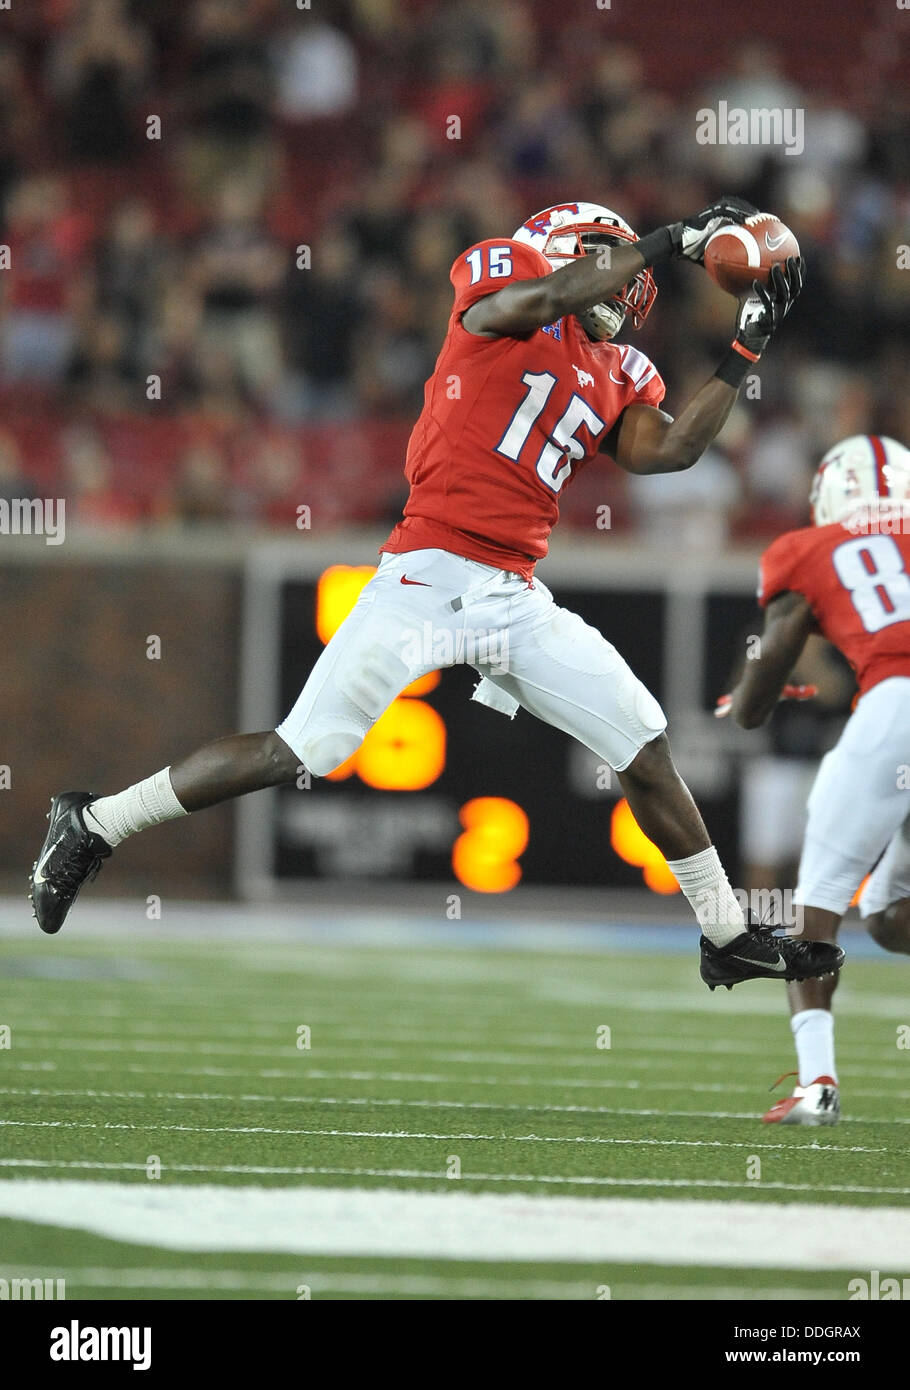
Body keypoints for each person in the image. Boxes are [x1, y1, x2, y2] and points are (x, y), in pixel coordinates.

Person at [30, 196, 841, 994]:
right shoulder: (505, 276)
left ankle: (725, 934)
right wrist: (668, 238)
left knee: (641, 741)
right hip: (427, 570)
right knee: (304, 749)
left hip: (514, 594)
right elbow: (548, 296)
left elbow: (670, 451)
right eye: (614, 264)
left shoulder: (619, 368)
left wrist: (746, 348)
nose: (630, 299)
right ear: (568, 247)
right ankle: (97, 822)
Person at [718, 434, 910, 1122]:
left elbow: (767, 671)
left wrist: (747, 703)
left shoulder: (806, 547)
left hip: (898, 707)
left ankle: (817, 1083)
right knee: (888, 919)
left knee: (820, 903)